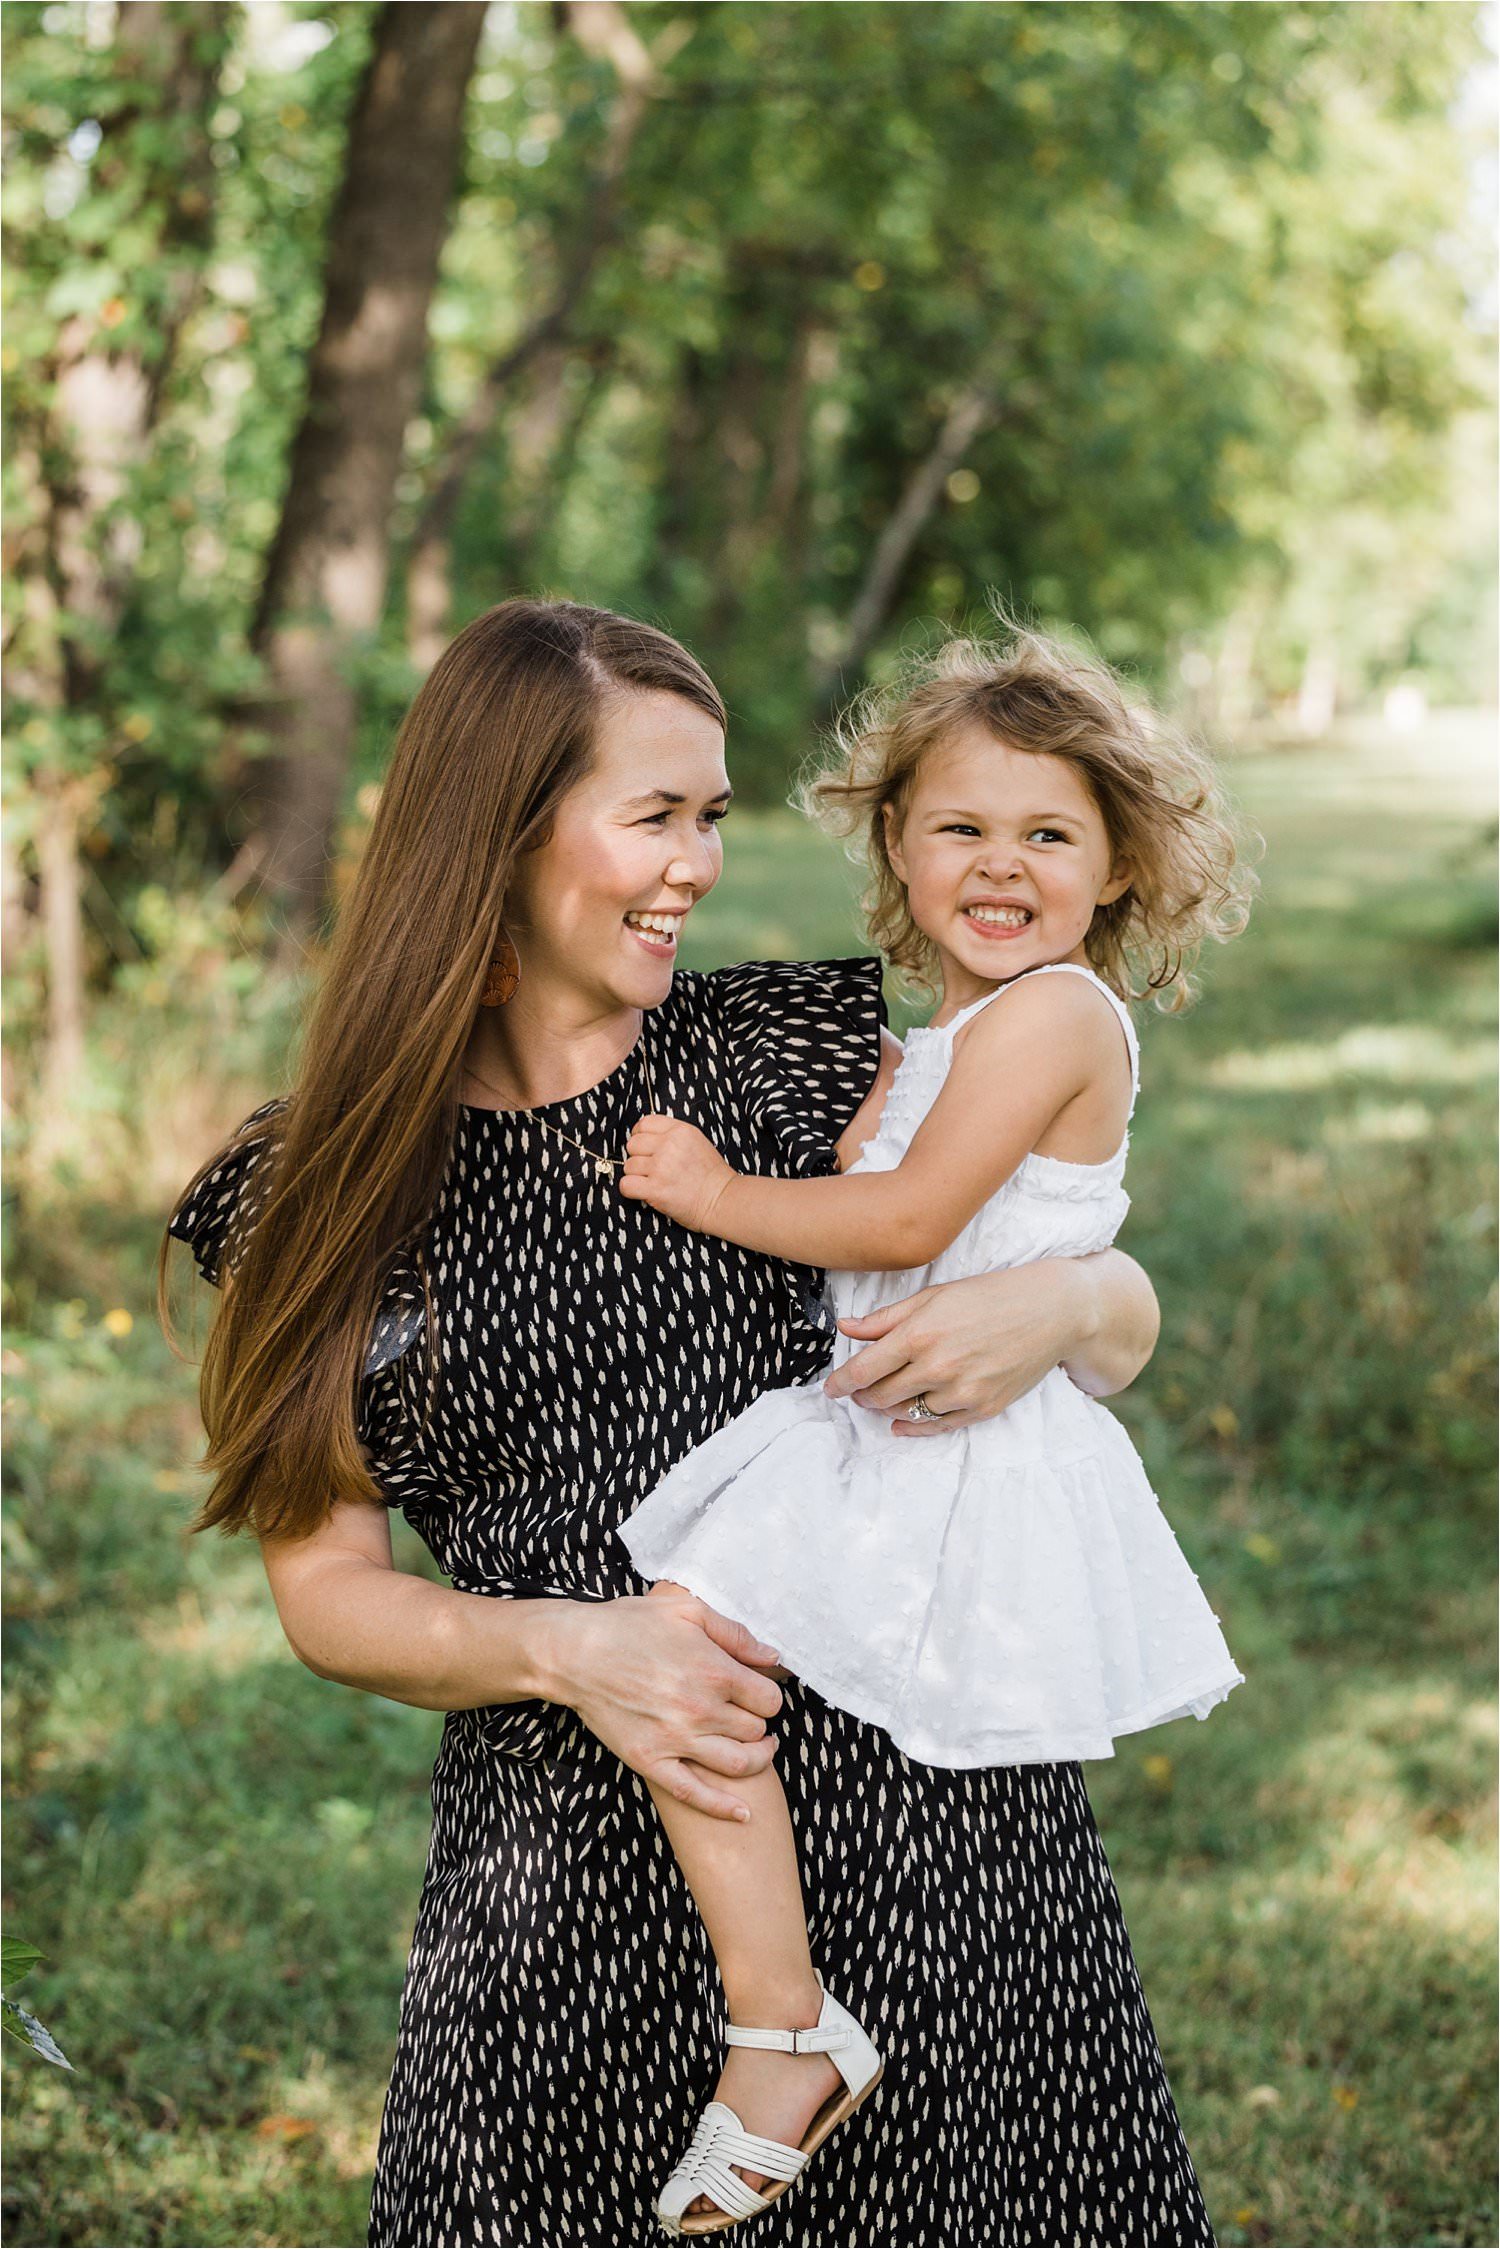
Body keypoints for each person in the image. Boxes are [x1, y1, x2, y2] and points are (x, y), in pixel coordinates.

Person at [161, 598, 1218, 2248]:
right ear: (501, 832)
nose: (701, 863)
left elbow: (1054, 1262)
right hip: (565, 1884)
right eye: (656, 814)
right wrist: (578, 1651)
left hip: (928, 1835)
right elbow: (326, 1590)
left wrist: (1077, 1310)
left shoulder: (782, 1057)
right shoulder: (320, 1193)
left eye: (711, 816)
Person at [615, 618, 1255, 2234]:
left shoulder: (1055, 1019)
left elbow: (898, 1223)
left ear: (1118, 866)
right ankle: (786, 2018)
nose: (1001, 863)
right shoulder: (948, 1038)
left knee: (692, 1650)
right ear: (896, 844)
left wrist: (704, 1186)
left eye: (1050, 832)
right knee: (699, 1657)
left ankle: (784, 2032)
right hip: (887, 1431)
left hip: (943, 1455)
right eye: (960, 825)